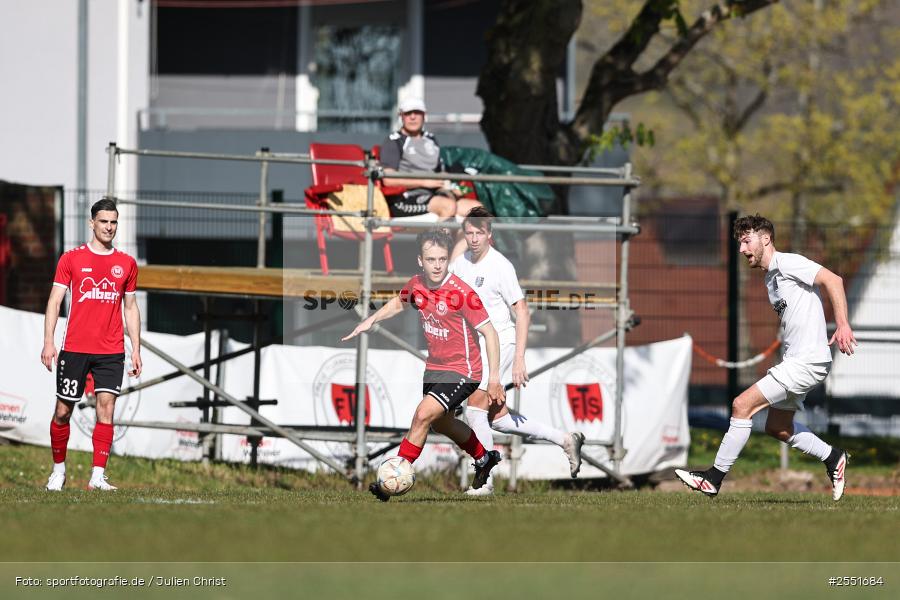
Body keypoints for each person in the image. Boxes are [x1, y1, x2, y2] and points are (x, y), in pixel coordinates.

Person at [676, 214, 856, 501]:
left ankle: (712, 479)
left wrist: (843, 323)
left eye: (746, 241)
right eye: (740, 243)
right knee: (778, 428)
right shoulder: (771, 278)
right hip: (798, 361)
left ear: (766, 239)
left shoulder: (787, 262)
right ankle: (834, 457)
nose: (742, 249)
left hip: (807, 361)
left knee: (741, 405)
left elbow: (833, 280)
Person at [342, 228, 504, 501]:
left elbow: (490, 333)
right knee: (441, 423)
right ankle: (484, 457)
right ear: (420, 260)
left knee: (422, 415)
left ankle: (391, 479)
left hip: (463, 370)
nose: (438, 265)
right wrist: (372, 319)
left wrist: (495, 378)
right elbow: (399, 302)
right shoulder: (417, 284)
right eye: (431, 260)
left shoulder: (461, 293)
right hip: (435, 368)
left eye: (442, 259)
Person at [449, 207, 585, 495]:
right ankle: (565, 439)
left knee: (474, 409)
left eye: (479, 233)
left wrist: (519, 359)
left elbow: (522, 312)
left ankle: (484, 481)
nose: (474, 239)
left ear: (490, 235)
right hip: (476, 347)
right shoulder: (461, 263)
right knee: (499, 419)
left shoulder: (500, 266)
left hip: (501, 342)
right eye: (469, 233)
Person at [40, 197, 142, 491]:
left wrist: (136, 348)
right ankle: (58, 470)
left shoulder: (126, 264)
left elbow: (131, 308)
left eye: (113, 223)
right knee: (63, 411)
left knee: (106, 409)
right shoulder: (71, 259)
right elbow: (55, 301)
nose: (109, 227)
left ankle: (98, 476)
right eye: (104, 222)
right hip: (74, 349)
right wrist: (49, 342)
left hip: (111, 350)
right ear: (92, 223)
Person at [379, 97, 481, 258]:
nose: (413, 117)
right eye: (408, 113)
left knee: (476, 210)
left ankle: (453, 267)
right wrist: (424, 181)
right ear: (401, 116)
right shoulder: (393, 142)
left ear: (424, 115)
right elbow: (388, 179)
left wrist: (450, 186)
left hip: (435, 196)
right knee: (448, 207)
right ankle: (435, 264)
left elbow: (439, 173)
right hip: (404, 198)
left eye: (417, 113)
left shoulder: (431, 139)